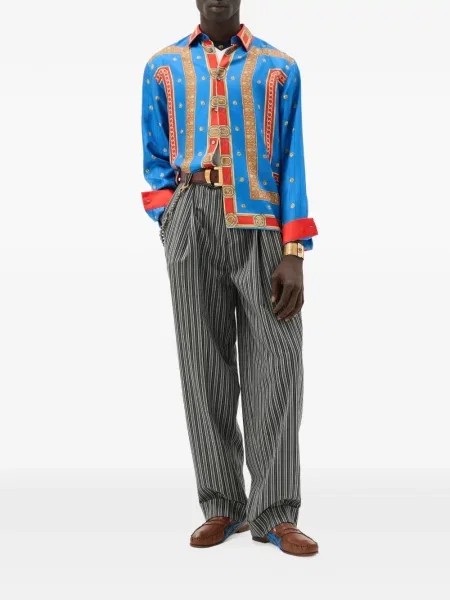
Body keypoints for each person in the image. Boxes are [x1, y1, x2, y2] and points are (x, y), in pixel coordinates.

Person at [140, 0, 319, 557]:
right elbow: (154, 153)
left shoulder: (279, 67)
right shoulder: (162, 67)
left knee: (277, 363)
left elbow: (293, 158)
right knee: (203, 364)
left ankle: (275, 511)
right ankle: (222, 504)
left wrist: (294, 250)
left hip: (263, 225)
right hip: (191, 217)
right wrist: (170, 218)